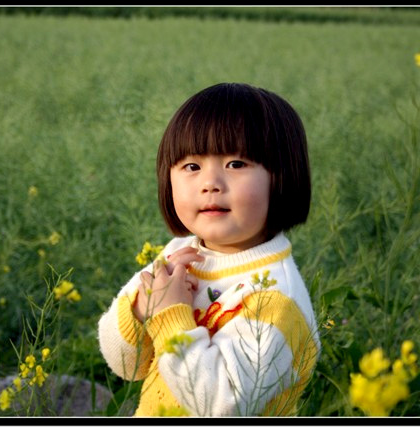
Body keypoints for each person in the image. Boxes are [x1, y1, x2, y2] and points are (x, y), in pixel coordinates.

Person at [97, 83, 320, 417]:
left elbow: (217, 406)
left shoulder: (276, 300)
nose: (210, 182)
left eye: (236, 164)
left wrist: (169, 315)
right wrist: (143, 307)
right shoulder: (178, 254)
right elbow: (125, 364)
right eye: (191, 167)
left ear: (283, 177)